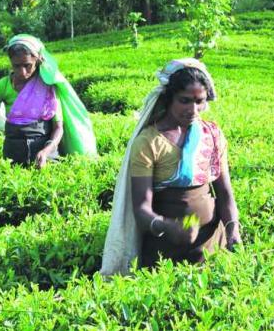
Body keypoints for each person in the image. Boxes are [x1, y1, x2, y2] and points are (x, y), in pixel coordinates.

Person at [101, 58, 242, 275]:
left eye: (199, 101)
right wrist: (167, 226)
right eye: (184, 101)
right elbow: (141, 209)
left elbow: (224, 192)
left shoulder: (212, 135)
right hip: (163, 250)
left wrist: (233, 229)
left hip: (211, 243)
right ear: (169, 99)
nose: (193, 109)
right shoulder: (149, 142)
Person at [0, 34, 97, 168]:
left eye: (27, 65)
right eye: (16, 66)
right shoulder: (3, 86)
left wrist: (45, 152)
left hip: (47, 157)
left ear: (37, 60)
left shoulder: (46, 85)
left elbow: (58, 127)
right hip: (13, 158)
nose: (22, 72)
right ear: (10, 62)